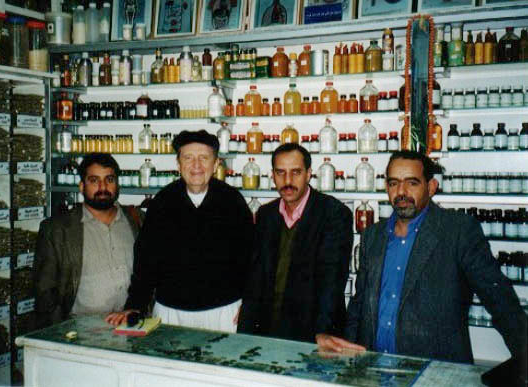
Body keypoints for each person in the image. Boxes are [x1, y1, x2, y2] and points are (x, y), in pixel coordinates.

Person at [342, 150, 527, 363]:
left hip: (434, 371)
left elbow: (499, 298)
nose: (401, 191)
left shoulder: (457, 230)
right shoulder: (373, 235)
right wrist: (347, 358)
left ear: (431, 187)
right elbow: (359, 304)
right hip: (373, 369)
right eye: (393, 183)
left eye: (412, 183)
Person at [106, 130, 254, 333]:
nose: (196, 166)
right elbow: (146, 261)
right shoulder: (162, 202)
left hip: (225, 312)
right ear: (178, 164)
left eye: (204, 158)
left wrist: (251, 302)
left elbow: (251, 258)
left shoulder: (233, 201)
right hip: (171, 312)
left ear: (216, 164)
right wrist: (134, 305)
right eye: (188, 158)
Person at [238, 143, 360, 352]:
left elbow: (332, 279)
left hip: (313, 332)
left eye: (295, 172)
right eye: (280, 173)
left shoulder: (334, 214)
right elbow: (256, 275)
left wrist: (323, 331)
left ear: (308, 174)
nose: (287, 181)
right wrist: (246, 326)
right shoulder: (266, 215)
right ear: (272, 175)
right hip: (268, 329)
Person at [34, 153, 143, 328]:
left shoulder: (138, 222)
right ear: (81, 186)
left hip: (132, 327)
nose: (103, 187)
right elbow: (45, 293)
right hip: (82, 331)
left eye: (109, 179)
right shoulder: (57, 230)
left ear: (117, 184)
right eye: (94, 180)